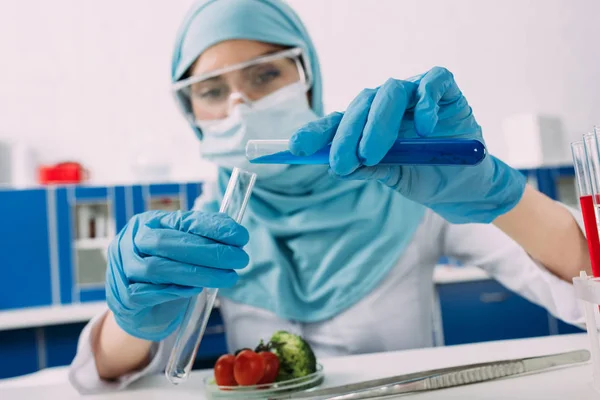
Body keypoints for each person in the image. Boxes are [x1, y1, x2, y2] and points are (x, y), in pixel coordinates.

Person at [69, 0, 590, 394]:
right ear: (190, 111)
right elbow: (96, 378)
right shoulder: (207, 229)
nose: (240, 104)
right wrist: (131, 315)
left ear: (307, 77)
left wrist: (497, 193)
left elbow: (590, 291)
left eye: (265, 74)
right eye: (210, 90)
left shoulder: (405, 187)